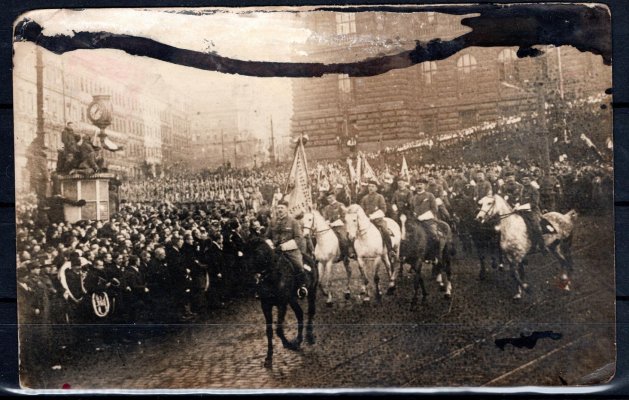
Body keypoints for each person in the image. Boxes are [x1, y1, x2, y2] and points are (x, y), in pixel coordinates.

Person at [267, 200, 309, 299]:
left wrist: (284, 246)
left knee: (298, 265)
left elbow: (299, 238)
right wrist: (271, 245)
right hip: (274, 251)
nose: (280, 210)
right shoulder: (273, 222)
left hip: (290, 251)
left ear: (286, 209)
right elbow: (267, 236)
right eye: (278, 208)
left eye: (282, 208)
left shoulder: (293, 222)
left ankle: (301, 287)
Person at [360, 180, 394, 261]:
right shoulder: (364, 198)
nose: (370, 188)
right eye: (369, 186)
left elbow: (383, 209)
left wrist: (374, 216)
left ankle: (390, 250)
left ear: (376, 188)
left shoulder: (380, 197)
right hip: (367, 220)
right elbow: (362, 210)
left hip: (378, 219)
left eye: (372, 186)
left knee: (385, 231)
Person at [411, 177, 440, 262]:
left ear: (425, 186)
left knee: (434, 236)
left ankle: (435, 256)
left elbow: (435, 209)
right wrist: (413, 214)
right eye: (417, 184)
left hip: (429, 221)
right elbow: (411, 209)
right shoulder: (414, 197)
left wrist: (423, 217)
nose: (419, 186)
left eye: (421, 184)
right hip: (416, 221)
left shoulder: (430, 195)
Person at [518, 174, 547, 254]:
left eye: (527, 179)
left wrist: (522, 207)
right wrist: (518, 206)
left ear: (530, 180)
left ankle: (542, 246)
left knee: (536, 227)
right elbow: (520, 200)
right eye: (523, 180)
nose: (525, 181)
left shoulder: (534, 190)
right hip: (523, 211)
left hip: (532, 211)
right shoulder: (522, 189)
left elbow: (534, 203)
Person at [322, 191, 353, 259]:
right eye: (328, 198)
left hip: (340, 226)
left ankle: (347, 254)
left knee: (343, 238)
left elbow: (343, 217)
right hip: (331, 227)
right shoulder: (326, 208)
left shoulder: (340, 205)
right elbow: (326, 218)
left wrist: (333, 224)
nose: (329, 199)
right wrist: (328, 223)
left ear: (334, 197)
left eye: (330, 197)